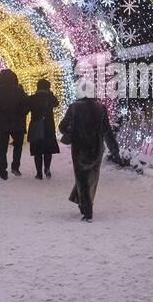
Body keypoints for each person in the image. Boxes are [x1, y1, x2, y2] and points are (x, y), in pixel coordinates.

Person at [60, 91, 121, 221]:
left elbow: (62, 126)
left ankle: (87, 211)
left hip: (79, 149)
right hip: (96, 149)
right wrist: (114, 148)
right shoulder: (100, 108)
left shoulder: (74, 107)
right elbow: (106, 130)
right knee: (91, 178)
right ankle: (83, 203)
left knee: (81, 179)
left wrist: (71, 129)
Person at [0, 68, 28, 179]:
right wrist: (22, 114)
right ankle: (15, 166)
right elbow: (26, 105)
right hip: (18, 123)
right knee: (18, 146)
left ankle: (2, 169)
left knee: (2, 147)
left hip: (2, 123)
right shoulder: (19, 91)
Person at [27, 78, 60, 179]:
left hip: (36, 125)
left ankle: (39, 173)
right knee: (48, 149)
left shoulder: (32, 98)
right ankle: (47, 168)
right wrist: (50, 93)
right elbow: (56, 103)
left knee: (37, 150)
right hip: (48, 126)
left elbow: (27, 109)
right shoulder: (50, 98)